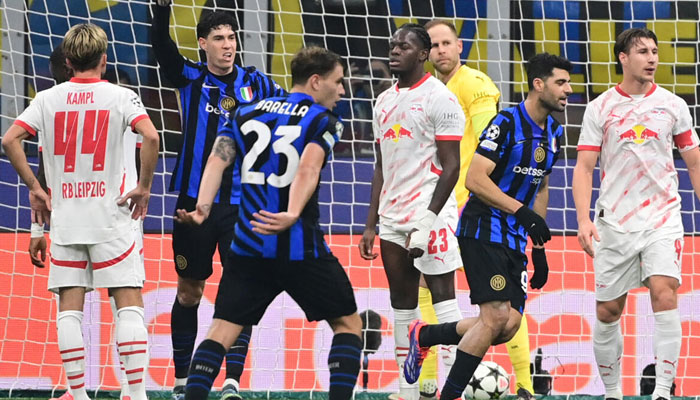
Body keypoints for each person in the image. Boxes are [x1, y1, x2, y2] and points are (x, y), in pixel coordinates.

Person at [174, 45, 362, 400]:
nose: (342, 91)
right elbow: (308, 165)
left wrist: (202, 209)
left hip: (248, 245)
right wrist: (291, 213)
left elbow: (217, 159)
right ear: (316, 81)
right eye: (338, 82)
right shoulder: (324, 121)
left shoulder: (246, 112)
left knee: (220, 331)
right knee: (348, 325)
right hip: (300, 246)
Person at [2, 23, 159, 400]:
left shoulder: (46, 99)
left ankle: (76, 391)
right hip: (113, 217)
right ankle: (134, 394)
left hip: (67, 218)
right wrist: (145, 187)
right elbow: (152, 136)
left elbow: (10, 139)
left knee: (69, 309)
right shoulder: (122, 96)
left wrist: (36, 190)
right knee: (128, 304)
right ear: (104, 60)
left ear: (69, 61)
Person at [403, 53, 572, 400]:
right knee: (495, 316)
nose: (568, 90)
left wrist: (537, 247)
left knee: (507, 326)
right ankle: (449, 395)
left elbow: (540, 184)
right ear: (539, 85)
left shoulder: (554, 133)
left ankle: (425, 336)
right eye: (561, 83)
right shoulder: (506, 124)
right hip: (483, 228)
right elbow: (475, 178)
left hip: (514, 238)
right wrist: (520, 212)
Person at [151, 2, 285, 399]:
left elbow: (288, 113)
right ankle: (180, 381)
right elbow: (161, 47)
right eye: (220, 39)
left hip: (244, 203)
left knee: (239, 290)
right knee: (189, 291)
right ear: (203, 44)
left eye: (232, 38)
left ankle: (231, 382)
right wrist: (161, 14)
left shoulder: (257, 83)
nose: (228, 46)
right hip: (193, 203)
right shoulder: (189, 77)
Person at [573, 27, 700, 400]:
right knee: (608, 310)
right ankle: (612, 392)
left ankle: (662, 392)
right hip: (615, 221)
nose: (652, 59)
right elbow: (583, 168)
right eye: (643, 52)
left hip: (663, 218)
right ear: (623, 59)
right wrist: (583, 219)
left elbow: (693, 162)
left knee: (664, 294)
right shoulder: (600, 108)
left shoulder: (674, 105)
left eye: (655, 52)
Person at [424, 19, 536, 400]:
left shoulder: (474, 84)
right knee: (434, 286)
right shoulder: (433, 90)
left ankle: (524, 384)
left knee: (499, 312)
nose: (440, 50)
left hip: (475, 208)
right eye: (433, 44)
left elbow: (494, 144)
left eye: (446, 43)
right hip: (443, 206)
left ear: (460, 47)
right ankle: (426, 383)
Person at [358, 23, 466, 400]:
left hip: (431, 215)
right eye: (392, 45)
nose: (394, 51)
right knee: (402, 308)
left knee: (444, 302)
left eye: (403, 46)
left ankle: (453, 390)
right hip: (391, 218)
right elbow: (380, 166)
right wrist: (370, 222)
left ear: (423, 55)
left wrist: (427, 219)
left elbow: (451, 166)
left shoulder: (440, 99)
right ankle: (407, 391)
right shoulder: (383, 101)